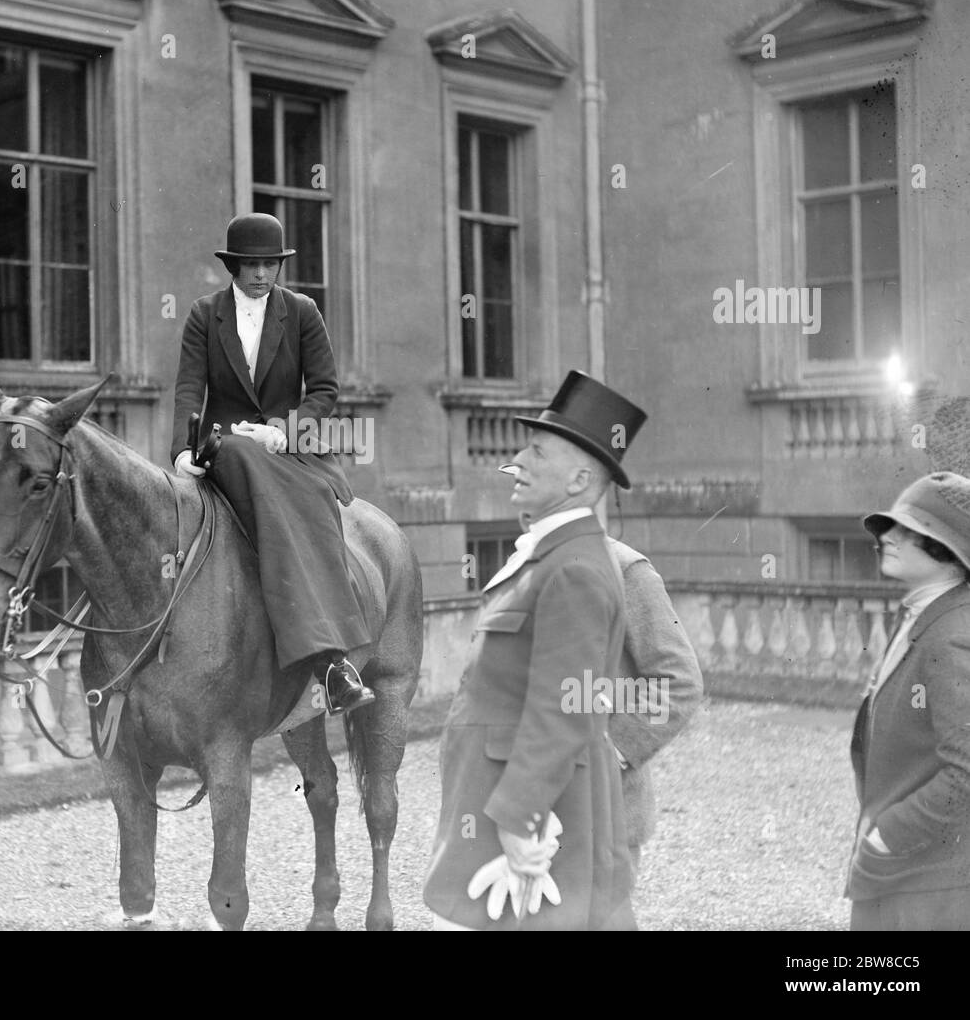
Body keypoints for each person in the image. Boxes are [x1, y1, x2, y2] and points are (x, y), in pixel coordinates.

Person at [423, 370, 647, 929]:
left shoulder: (574, 569)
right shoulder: (550, 556)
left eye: (536, 452)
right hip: (509, 799)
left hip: (535, 814)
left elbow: (563, 710)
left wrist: (521, 819)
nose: (515, 462)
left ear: (577, 480)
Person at [170, 213, 373, 714]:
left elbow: (325, 390)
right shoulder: (204, 313)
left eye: (270, 264)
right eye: (251, 264)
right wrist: (181, 450)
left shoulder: (303, 311)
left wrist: (284, 430)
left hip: (291, 447)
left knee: (311, 501)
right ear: (233, 266)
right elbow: (190, 388)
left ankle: (331, 661)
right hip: (226, 448)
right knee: (238, 450)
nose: (262, 274)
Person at [848, 471, 970, 930]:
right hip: (910, 877)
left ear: (949, 549)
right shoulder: (926, 614)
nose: (889, 537)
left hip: (930, 891)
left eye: (911, 530)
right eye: (891, 525)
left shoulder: (953, 634)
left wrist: (887, 835)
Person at [605, 537, 704, 886]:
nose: (519, 487)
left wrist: (611, 750)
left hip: (603, 815)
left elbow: (679, 681)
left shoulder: (625, 569)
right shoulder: (527, 564)